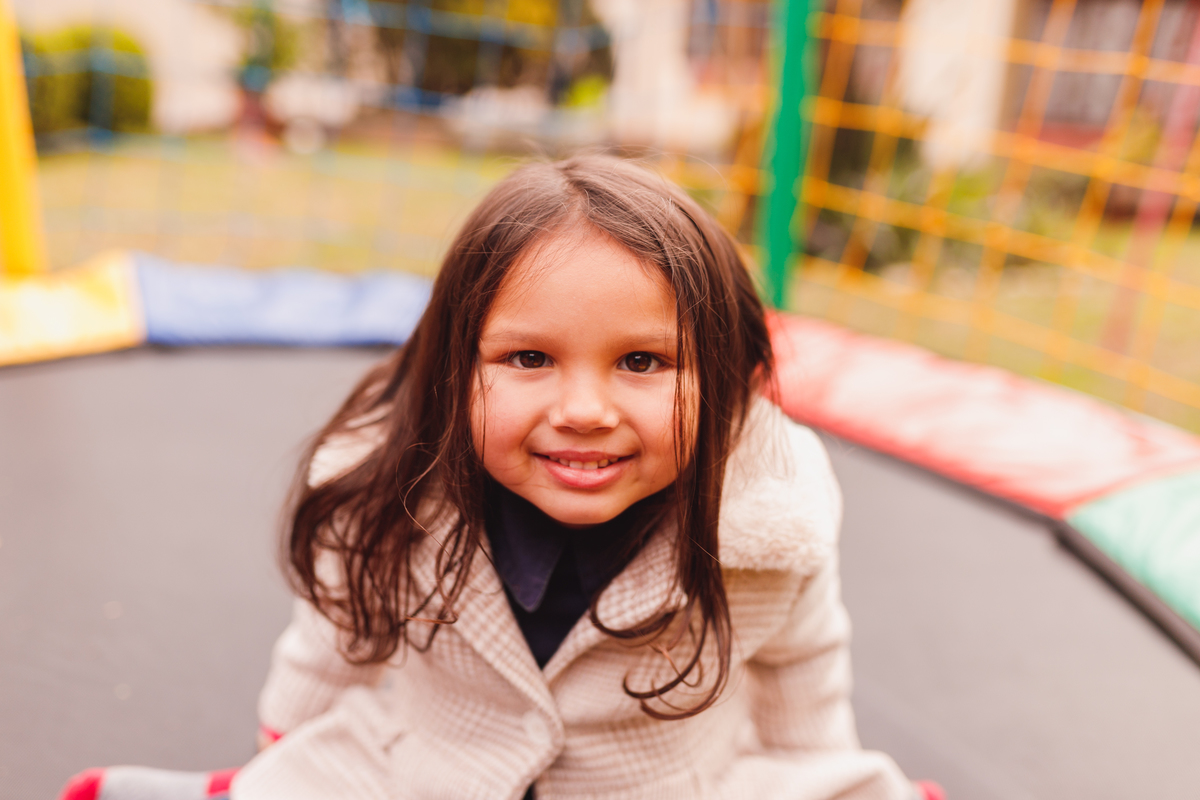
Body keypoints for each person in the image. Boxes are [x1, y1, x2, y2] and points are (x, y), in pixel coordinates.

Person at [60, 156, 940, 800]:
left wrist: (816, 775)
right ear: (453, 370)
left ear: (731, 381)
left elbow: (803, 666)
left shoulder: (768, 517)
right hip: (429, 771)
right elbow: (332, 643)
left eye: (642, 361)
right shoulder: (385, 494)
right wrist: (277, 751)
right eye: (528, 358)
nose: (585, 408)